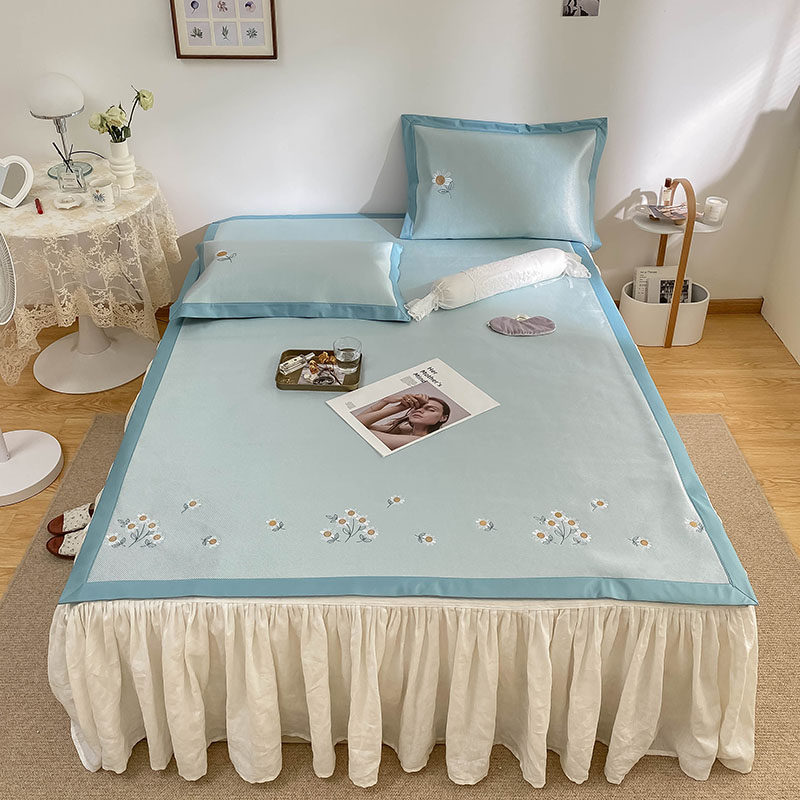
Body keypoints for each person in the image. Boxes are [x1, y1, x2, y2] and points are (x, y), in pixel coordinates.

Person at [354, 392, 451, 451]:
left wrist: (399, 407)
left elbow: (355, 427)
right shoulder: (405, 429)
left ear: (443, 418)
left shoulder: (418, 441)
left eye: (431, 409)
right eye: (417, 407)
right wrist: (385, 401)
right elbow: (357, 422)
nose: (419, 410)